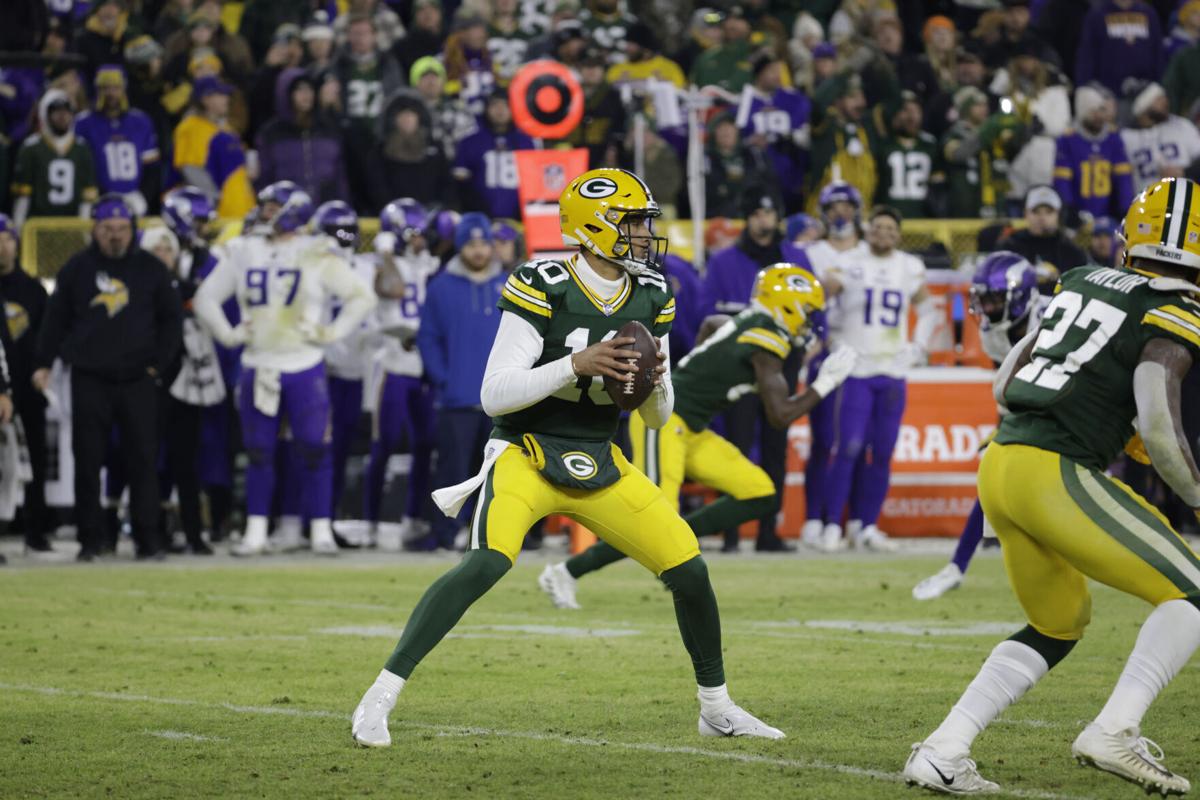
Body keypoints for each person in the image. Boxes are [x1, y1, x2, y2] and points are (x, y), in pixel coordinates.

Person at [351, 167, 785, 748]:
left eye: (642, 223)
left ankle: (716, 706)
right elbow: (493, 392)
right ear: (596, 224)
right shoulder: (544, 280)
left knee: (690, 569)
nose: (642, 235)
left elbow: (656, 419)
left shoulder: (653, 294)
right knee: (485, 564)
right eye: (632, 222)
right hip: (526, 451)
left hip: (600, 456)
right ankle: (379, 695)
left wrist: (656, 384)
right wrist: (574, 365)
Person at [903, 177, 1200, 798]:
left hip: (1002, 462)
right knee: (1193, 591)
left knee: (1059, 621)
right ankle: (1116, 728)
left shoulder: (1084, 279)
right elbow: (1158, 422)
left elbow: (1003, 383)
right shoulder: (1173, 309)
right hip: (1055, 472)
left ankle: (943, 749)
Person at [539, 265, 857, 609]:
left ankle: (679, 541)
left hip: (691, 428)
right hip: (663, 423)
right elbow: (779, 416)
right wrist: (825, 383)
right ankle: (565, 572)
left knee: (759, 492)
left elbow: (712, 324)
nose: (810, 320)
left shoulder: (747, 321)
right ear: (789, 306)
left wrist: (699, 364)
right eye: (807, 311)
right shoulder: (767, 339)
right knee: (650, 520)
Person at [193, 181, 376, 557]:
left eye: (272, 206)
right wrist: (228, 335)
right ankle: (256, 531)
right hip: (259, 363)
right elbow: (205, 298)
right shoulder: (244, 250)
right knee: (259, 451)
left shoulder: (315, 251)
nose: (264, 212)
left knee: (314, 447)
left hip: (303, 363)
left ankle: (320, 529)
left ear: (292, 210)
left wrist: (332, 332)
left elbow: (362, 297)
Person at [34, 194, 183, 562]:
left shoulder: (151, 269)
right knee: (87, 461)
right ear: (93, 231)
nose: (115, 236)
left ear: (131, 230)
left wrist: (158, 366)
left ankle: (148, 540)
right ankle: (91, 540)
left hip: (138, 379)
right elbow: (55, 320)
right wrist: (43, 362)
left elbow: (171, 323)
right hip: (90, 378)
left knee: (143, 461)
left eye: (121, 229)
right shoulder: (76, 269)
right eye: (107, 229)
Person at [912, 252, 1049, 600]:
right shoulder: (994, 335)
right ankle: (957, 566)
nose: (985, 307)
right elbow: (1011, 383)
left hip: (1086, 395)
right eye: (982, 298)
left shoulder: (1054, 320)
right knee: (992, 470)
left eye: (994, 299)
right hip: (1039, 398)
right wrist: (1003, 425)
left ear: (1019, 297)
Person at [819, 206, 938, 552]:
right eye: (879, 226)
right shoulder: (851, 260)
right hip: (857, 368)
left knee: (883, 451)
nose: (884, 232)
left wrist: (918, 346)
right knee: (849, 448)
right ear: (869, 230)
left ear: (898, 235)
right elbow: (825, 293)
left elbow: (928, 309)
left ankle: (866, 525)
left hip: (892, 370)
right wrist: (833, 334)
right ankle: (831, 526)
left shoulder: (909, 266)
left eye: (891, 228)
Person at [702, 189, 813, 551]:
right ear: (748, 219)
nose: (764, 220)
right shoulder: (723, 263)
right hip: (738, 366)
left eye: (770, 214)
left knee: (774, 448)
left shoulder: (796, 259)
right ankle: (731, 533)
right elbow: (705, 313)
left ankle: (769, 531)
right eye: (758, 214)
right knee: (734, 447)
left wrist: (813, 343)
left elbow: (814, 308)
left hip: (783, 361)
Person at [414, 212, 505, 550]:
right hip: (459, 398)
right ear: (460, 246)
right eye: (472, 243)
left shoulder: (510, 284)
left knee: (499, 476)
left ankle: (491, 535)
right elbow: (428, 338)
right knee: (454, 471)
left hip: (501, 400)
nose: (479, 251)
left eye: (484, 243)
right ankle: (445, 532)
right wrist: (444, 380)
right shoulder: (440, 287)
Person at [161, 185, 238, 542]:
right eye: (201, 221)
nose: (206, 228)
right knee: (165, 450)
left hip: (211, 368)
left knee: (213, 448)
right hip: (166, 368)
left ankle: (214, 520)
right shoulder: (157, 256)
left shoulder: (215, 263)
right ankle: (165, 521)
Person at [364, 199, 440, 550]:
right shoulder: (381, 264)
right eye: (414, 231)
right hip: (393, 364)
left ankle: (413, 519)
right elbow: (394, 289)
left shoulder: (429, 265)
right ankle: (370, 521)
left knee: (425, 445)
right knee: (385, 445)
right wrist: (389, 254)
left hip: (423, 369)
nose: (421, 238)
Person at [799, 182, 866, 550]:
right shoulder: (812, 252)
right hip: (822, 352)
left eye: (847, 206)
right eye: (834, 206)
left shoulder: (869, 253)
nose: (841, 213)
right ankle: (814, 517)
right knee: (823, 440)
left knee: (857, 443)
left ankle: (850, 521)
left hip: (861, 353)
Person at [141, 224, 214, 555]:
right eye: (156, 250)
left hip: (186, 385)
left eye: (167, 250)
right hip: (149, 385)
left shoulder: (185, 288)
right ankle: (150, 534)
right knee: (147, 464)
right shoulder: (136, 289)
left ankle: (194, 534)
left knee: (187, 463)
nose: (161, 256)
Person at [310, 200, 374, 522]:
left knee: (342, 449)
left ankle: (328, 519)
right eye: (337, 231)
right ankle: (301, 520)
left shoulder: (365, 267)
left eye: (349, 231)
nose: (343, 238)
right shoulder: (310, 265)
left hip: (355, 369)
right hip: (320, 368)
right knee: (315, 448)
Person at [0, 214, 51, 554]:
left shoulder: (32, 288)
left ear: (16, 242)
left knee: (37, 458)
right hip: (2, 383)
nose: (1, 247)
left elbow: (48, 333)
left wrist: (42, 367)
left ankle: (37, 530)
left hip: (28, 384)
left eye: (6, 238)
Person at [254, 68, 350, 204]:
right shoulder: (271, 133)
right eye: (299, 89)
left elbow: (340, 178)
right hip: (285, 211)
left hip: (324, 211)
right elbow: (264, 178)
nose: (306, 94)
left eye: (309, 89)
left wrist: (342, 206)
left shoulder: (329, 129)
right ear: (285, 93)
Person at [74, 66, 160, 215]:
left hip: (133, 197)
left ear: (123, 89)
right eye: (105, 88)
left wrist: (144, 195)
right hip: (96, 198)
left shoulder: (140, 121)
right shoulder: (83, 123)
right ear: (97, 90)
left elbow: (151, 166)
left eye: (116, 88)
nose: (111, 93)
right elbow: (79, 166)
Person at [735, 52, 811, 213]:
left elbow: (806, 133)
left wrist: (787, 137)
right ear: (759, 74)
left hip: (792, 176)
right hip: (759, 178)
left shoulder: (793, 99)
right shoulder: (743, 103)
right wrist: (750, 142)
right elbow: (735, 139)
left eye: (779, 70)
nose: (777, 75)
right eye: (771, 71)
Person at [171, 75, 256, 219]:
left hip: (244, 209)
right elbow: (192, 170)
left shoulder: (226, 127)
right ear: (205, 99)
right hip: (220, 213)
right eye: (221, 94)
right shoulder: (191, 128)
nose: (227, 99)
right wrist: (213, 204)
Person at [12, 89, 99, 226]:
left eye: (66, 112)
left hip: (71, 225)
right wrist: (19, 227)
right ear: (45, 115)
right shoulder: (31, 147)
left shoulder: (81, 148)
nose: (62, 117)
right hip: (39, 224)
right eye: (57, 112)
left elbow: (87, 196)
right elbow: (23, 196)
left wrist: (83, 228)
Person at [1054, 85, 1134, 224]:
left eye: (1101, 110)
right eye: (1093, 111)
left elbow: (1124, 180)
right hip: (1078, 215)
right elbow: (1062, 183)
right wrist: (1069, 212)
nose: (1098, 116)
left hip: (1110, 216)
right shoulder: (1067, 140)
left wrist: (1126, 210)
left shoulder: (1114, 139)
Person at [453, 89, 537, 220]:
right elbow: (461, 184)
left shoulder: (526, 142)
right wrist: (477, 209)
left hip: (520, 220)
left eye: (506, 105)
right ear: (486, 109)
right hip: (480, 220)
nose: (500, 109)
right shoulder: (469, 142)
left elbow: (534, 181)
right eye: (495, 104)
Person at [996, 185, 1088, 288]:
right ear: (1025, 213)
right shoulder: (1009, 247)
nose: (1042, 218)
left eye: (1049, 212)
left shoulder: (1073, 252)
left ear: (1059, 215)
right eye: (1036, 211)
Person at [1120, 82, 1200, 194]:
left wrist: (1184, 172)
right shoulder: (1125, 137)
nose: (1165, 101)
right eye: (1158, 99)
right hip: (1145, 203)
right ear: (1143, 106)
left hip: (1185, 198)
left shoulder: (1181, 126)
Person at [1074, 0, 1163, 97]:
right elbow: (1086, 57)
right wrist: (1084, 89)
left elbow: (1158, 54)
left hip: (1146, 95)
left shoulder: (1148, 13)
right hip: (1107, 97)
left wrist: (1159, 87)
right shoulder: (1097, 14)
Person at [874, 91, 941, 219]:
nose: (911, 116)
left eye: (916, 111)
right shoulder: (882, 146)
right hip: (890, 219)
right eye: (905, 110)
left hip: (924, 221)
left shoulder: (931, 146)